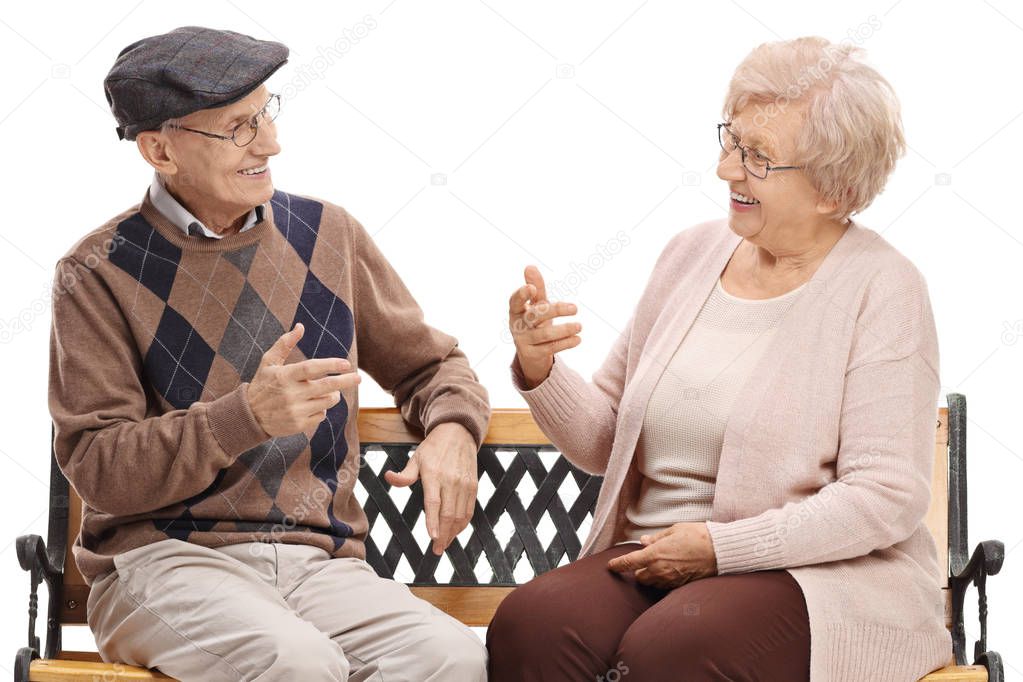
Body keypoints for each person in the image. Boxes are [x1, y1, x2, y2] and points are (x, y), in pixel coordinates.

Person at [488, 36, 952, 681]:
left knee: (676, 647)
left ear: (832, 189)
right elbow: (606, 443)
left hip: (818, 576)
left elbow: (885, 496)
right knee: (531, 625)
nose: (726, 169)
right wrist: (541, 370)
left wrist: (720, 548)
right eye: (731, 141)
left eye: (758, 157)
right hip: (657, 552)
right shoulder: (690, 255)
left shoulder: (883, 288)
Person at [49, 26, 489, 682]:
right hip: (163, 564)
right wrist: (242, 417)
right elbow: (98, 469)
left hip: (319, 565)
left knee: (456, 660)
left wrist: (453, 428)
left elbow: (431, 366)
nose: (271, 143)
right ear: (159, 150)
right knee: (296, 662)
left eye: (266, 113)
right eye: (238, 127)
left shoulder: (327, 235)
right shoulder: (97, 272)